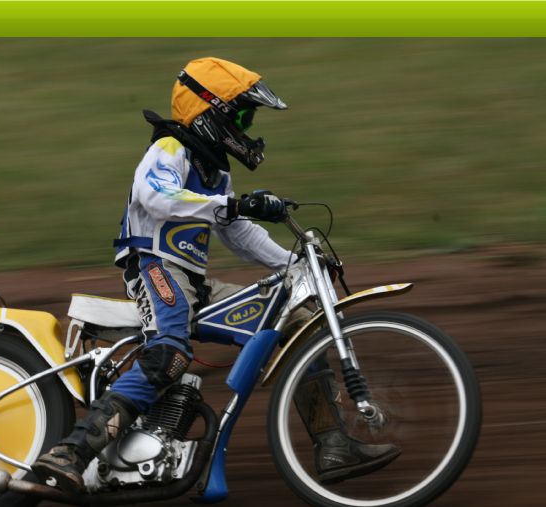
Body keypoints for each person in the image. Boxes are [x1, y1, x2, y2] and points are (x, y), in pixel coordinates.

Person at [32, 57, 399, 493]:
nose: (247, 126)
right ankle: (70, 453)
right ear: (210, 111)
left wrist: (296, 263)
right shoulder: (169, 148)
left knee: (295, 324)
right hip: (154, 268)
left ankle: (334, 445)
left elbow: (237, 232)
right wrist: (234, 204)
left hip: (193, 282)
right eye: (242, 116)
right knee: (169, 354)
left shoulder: (215, 170)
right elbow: (156, 197)